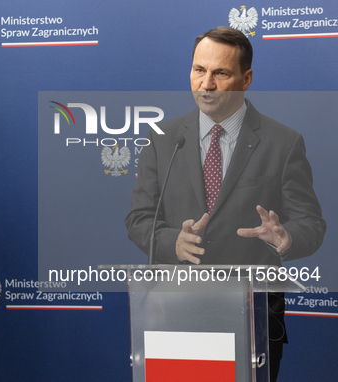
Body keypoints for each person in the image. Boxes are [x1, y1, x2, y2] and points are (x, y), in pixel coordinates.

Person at [125, 26, 325, 381]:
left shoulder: (284, 143)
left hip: (253, 321)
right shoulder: (162, 139)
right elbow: (139, 219)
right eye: (199, 70)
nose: (206, 84)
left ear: (246, 78)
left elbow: (311, 224)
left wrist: (285, 237)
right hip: (175, 313)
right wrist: (173, 241)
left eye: (220, 73)